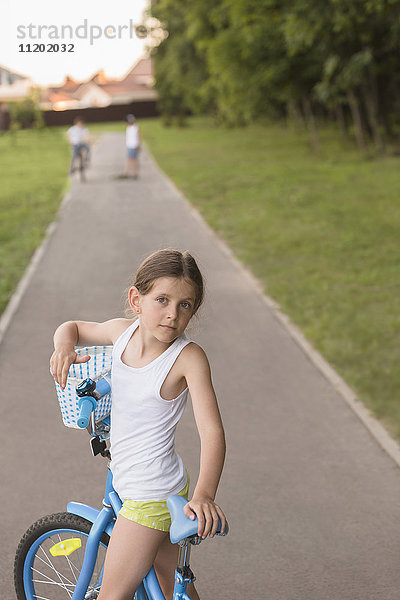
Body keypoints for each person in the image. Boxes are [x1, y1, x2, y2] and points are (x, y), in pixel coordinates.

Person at [50, 248, 227, 600]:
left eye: (185, 305)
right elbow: (71, 327)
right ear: (136, 299)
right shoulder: (121, 334)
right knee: (170, 586)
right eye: (162, 299)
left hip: (148, 495)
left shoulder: (187, 358)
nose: (172, 314)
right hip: (155, 483)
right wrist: (63, 347)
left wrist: (205, 494)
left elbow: (212, 432)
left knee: (111, 595)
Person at [124, 113, 141, 179]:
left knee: (134, 160)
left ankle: (135, 173)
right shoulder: (128, 128)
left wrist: (138, 145)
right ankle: (127, 172)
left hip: (134, 145)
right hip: (129, 145)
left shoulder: (136, 127)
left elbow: (138, 137)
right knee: (129, 159)